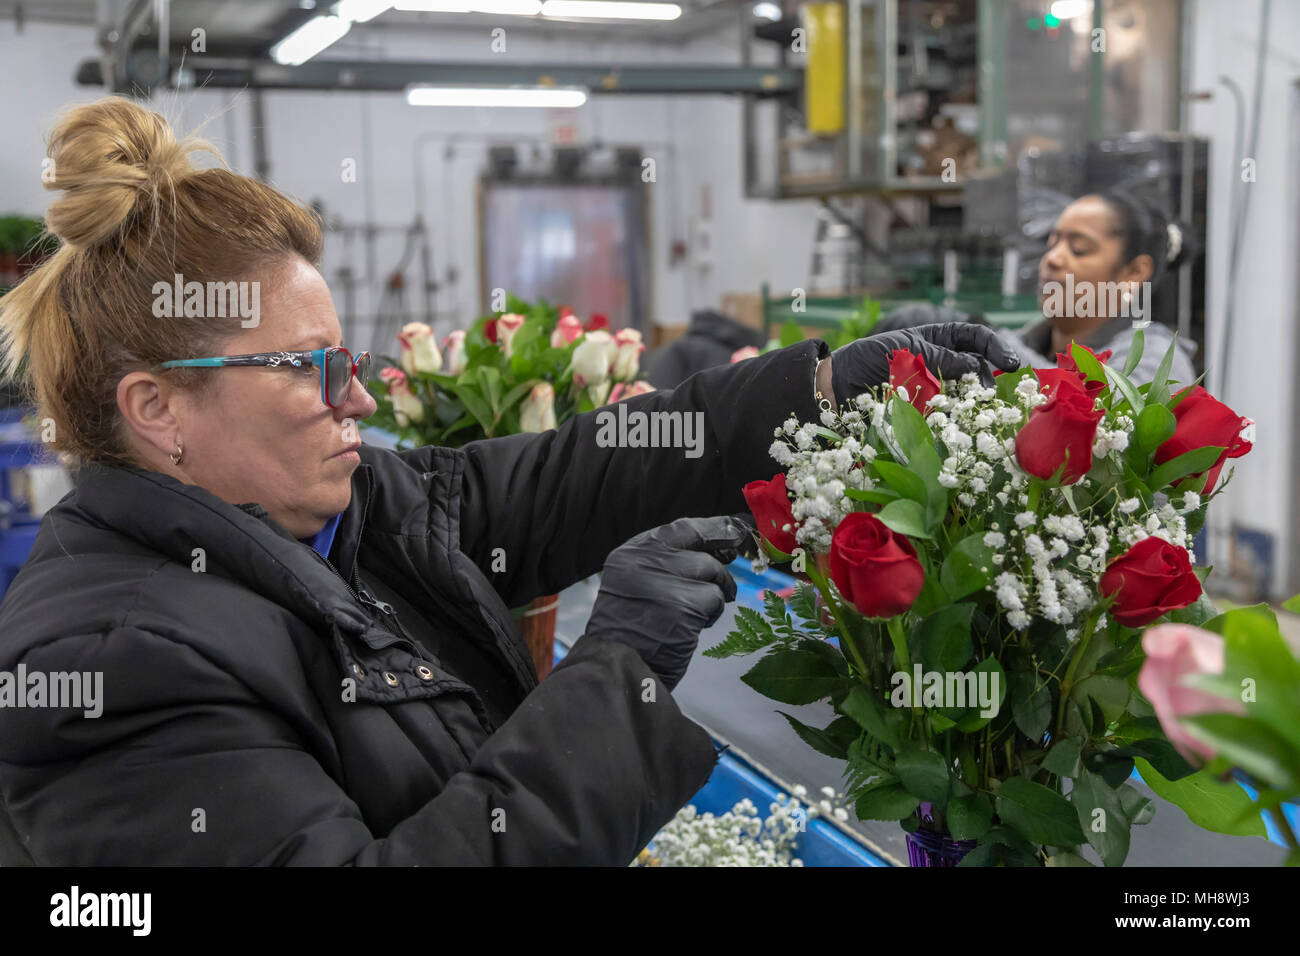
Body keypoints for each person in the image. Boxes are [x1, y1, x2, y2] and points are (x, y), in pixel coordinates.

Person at [0, 97, 1019, 866]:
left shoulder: (350, 513)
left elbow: (584, 474)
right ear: (158, 410)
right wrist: (616, 672)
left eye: (342, 355)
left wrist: (830, 384)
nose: (355, 398)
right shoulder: (114, 671)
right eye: (309, 368)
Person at [876, 190, 1197, 387]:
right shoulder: (1024, 342)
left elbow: (1105, 423)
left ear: (1133, 272)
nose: (1052, 259)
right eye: (1052, 242)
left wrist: (982, 339)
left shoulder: (1156, 362)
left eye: (1079, 248)